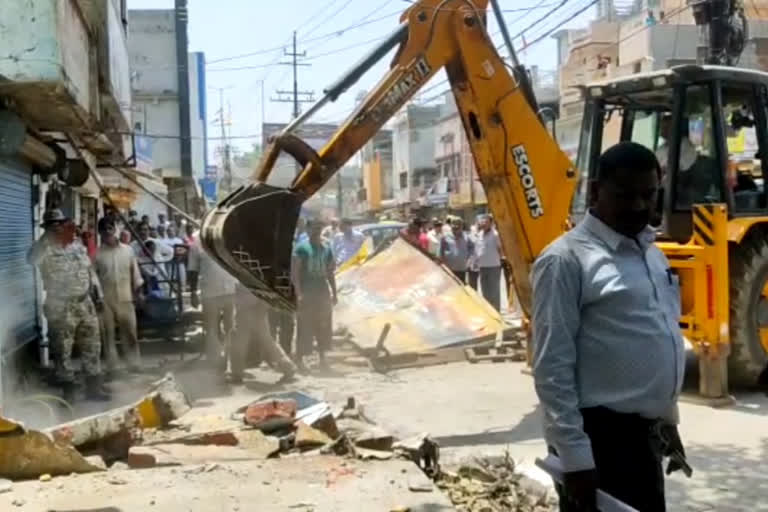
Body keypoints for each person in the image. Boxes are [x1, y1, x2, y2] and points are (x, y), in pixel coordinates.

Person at [531, 142, 687, 512]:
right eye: (625, 195)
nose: (638, 206)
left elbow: (659, 334)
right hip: (598, 440)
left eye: (648, 195)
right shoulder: (565, 260)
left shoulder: (651, 251)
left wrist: (667, 419)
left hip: (643, 438)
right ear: (596, 191)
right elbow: (552, 366)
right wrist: (575, 457)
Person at [27, 209, 110, 402]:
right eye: (53, 225)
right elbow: (31, 261)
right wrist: (45, 239)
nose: (58, 227)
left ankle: (94, 389)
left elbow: (89, 269)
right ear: (47, 227)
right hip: (61, 306)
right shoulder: (42, 248)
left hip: (84, 302)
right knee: (62, 350)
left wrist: (98, 293)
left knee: (92, 345)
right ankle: (69, 392)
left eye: (60, 223)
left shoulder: (76, 245)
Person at [94, 221, 144, 376]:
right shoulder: (97, 254)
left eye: (110, 228)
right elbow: (93, 277)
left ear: (115, 230)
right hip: (106, 300)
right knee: (108, 335)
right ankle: (113, 368)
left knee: (130, 333)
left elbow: (134, 272)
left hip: (125, 297)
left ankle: (134, 364)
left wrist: (139, 291)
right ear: (100, 233)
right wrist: (98, 297)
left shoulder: (127, 251)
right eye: (104, 230)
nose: (107, 232)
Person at [187, 233, 237, 370]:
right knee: (211, 328)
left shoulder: (227, 234)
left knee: (230, 328)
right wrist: (192, 293)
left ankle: (229, 359)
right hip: (210, 292)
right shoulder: (197, 241)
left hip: (230, 289)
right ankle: (215, 361)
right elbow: (192, 270)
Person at [293, 220, 337, 372]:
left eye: (319, 228)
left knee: (323, 326)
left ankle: (323, 360)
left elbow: (330, 272)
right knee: (305, 326)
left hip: (322, 291)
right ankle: (299, 360)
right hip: (307, 292)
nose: (317, 231)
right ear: (308, 229)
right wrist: (298, 293)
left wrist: (334, 293)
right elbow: (295, 273)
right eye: (314, 228)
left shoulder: (326, 248)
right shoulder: (302, 248)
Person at [231, 284, 297, 384]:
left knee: (241, 341)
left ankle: (237, 374)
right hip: (258, 303)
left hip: (248, 305)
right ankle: (288, 367)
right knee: (266, 340)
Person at [474, 214, 503, 311]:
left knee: (494, 292)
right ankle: (489, 312)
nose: (483, 224)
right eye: (482, 222)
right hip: (482, 267)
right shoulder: (480, 234)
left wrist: (499, 260)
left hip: (493, 266)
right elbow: (478, 249)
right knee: (485, 292)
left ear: (491, 223)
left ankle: (496, 313)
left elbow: (500, 249)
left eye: (486, 222)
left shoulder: (495, 234)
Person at [442, 218, 472, 283]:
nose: (455, 230)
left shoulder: (466, 237)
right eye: (454, 228)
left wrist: (469, 259)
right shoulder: (445, 237)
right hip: (449, 269)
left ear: (461, 227)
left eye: (457, 228)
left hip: (461, 269)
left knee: (461, 287)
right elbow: (440, 251)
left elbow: (471, 248)